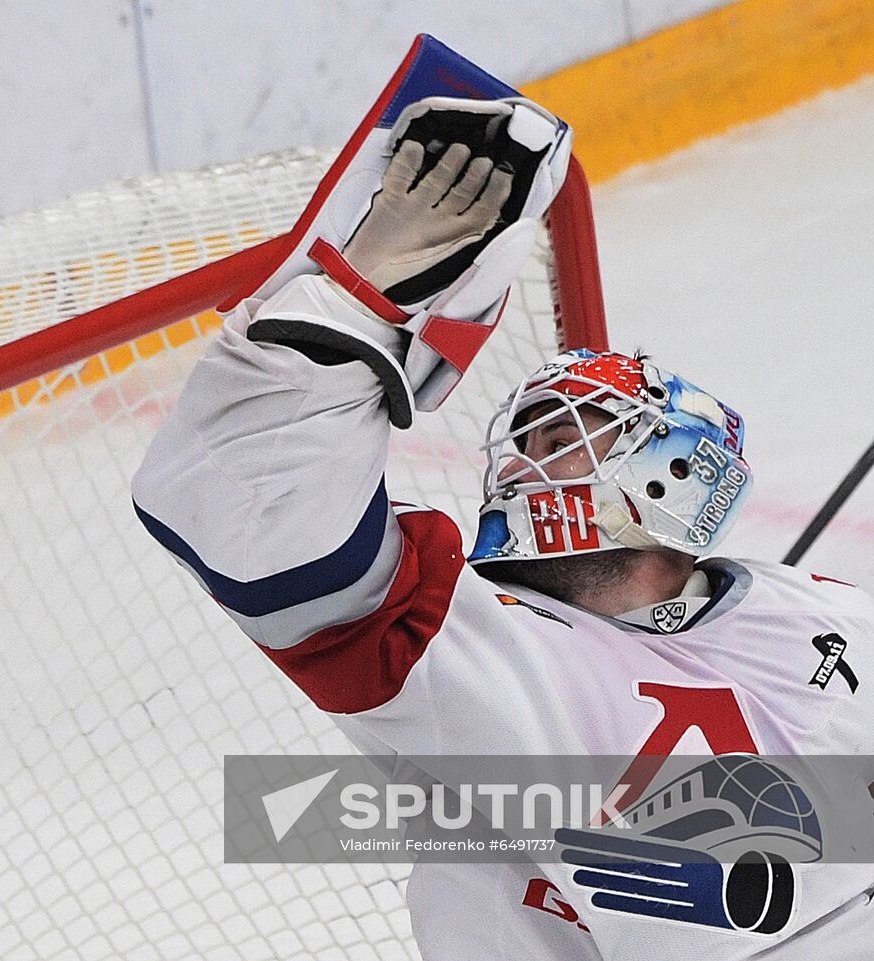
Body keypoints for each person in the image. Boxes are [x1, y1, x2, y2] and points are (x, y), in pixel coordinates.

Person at [132, 97, 874, 959]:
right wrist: (361, 302)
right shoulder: (467, 647)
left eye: (561, 441)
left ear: (673, 471)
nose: (518, 470)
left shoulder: (821, 612)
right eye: (518, 447)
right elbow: (252, 519)